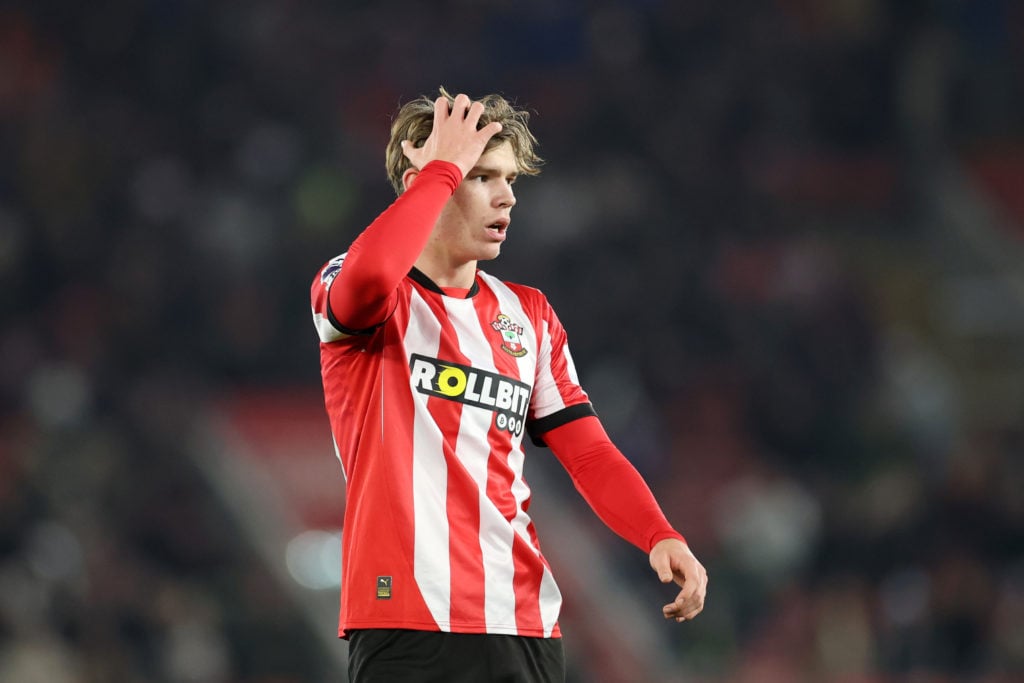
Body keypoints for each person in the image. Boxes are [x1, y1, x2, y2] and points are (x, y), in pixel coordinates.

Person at [310, 88, 707, 682]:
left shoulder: (528, 314)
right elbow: (368, 275)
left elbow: (590, 451)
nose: (508, 197)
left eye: (511, 179)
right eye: (483, 177)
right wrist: (442, 165)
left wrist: (657, 533)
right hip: (406, 621)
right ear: (428, 177)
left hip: (523, 621)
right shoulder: (367, 291)